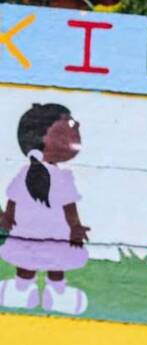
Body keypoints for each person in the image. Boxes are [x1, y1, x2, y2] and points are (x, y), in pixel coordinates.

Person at [0, 103, 90, 314]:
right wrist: (75, 228)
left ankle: (24, 289)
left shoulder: (30, 173)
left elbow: (13, 201)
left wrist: (8, 218)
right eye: (69, 126)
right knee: (53, 263)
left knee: (31, 261)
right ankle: (54, 292)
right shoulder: (57, 177)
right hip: (52, 234)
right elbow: (70, 209)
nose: (75, 129)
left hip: (30, 232)